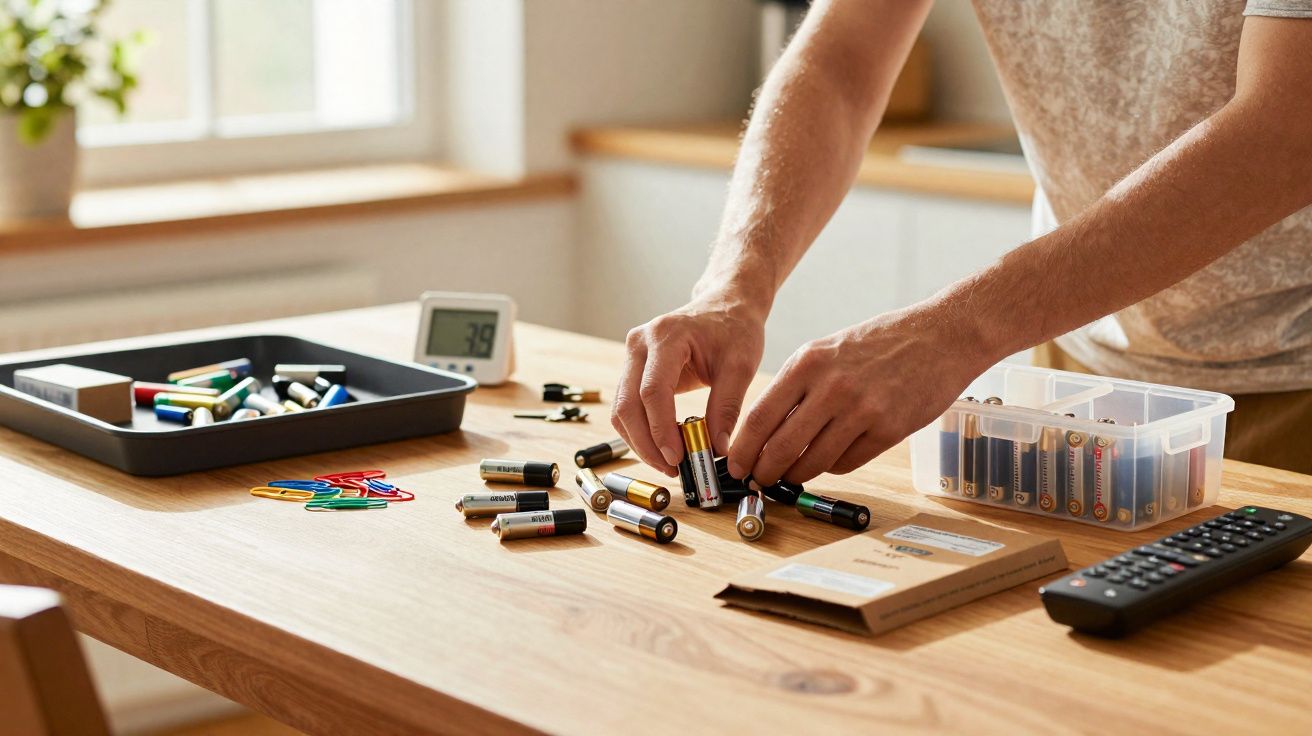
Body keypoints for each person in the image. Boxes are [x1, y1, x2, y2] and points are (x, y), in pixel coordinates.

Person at [611, 0, 1312, 486]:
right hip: (1081, 359)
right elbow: (842, 61)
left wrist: (955, 332)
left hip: (1296, 379)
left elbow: (1289, 129)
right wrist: (732, 288)